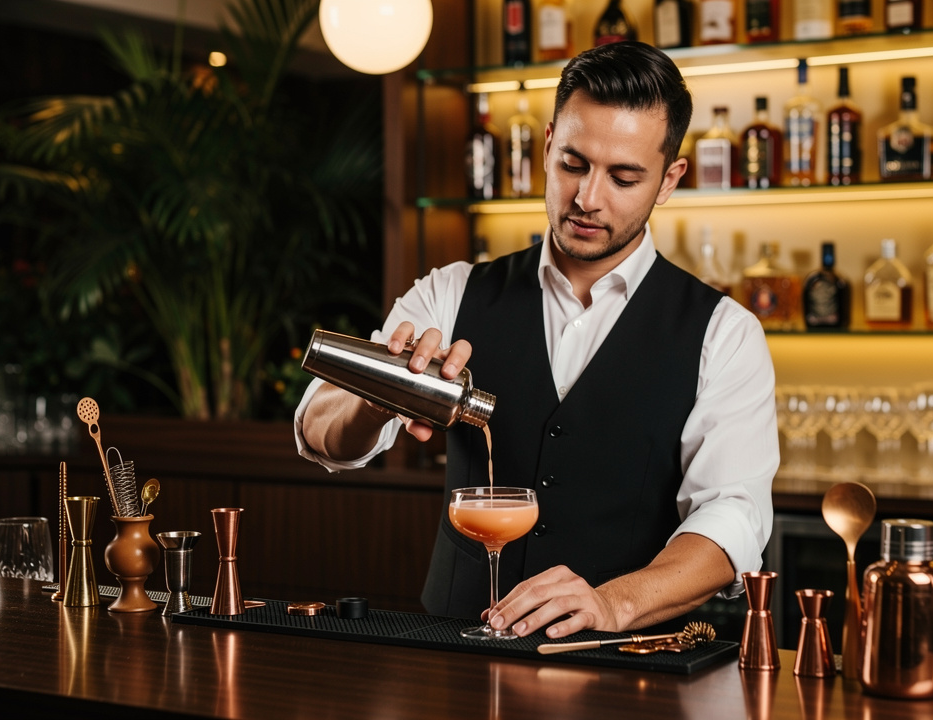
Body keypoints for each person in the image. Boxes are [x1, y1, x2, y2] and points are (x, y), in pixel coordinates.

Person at [296, 41, 777, 640]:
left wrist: (614, 604)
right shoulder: (452, 292)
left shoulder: (724, 333)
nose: (587, 198)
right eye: (573, 164)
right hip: (453, 653)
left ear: (669, 179)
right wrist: (378, 396)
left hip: (628, 667)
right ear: (547, 146)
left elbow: (733, 518)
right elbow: (320, 433)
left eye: (624, 177)